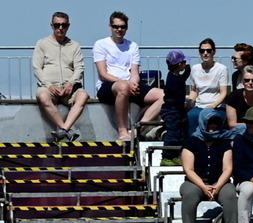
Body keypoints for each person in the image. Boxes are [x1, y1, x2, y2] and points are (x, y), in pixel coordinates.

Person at [93, 11, 164, 142]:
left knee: (164, 95)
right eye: (116, 27)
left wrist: (133, 84)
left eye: (122, 27)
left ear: (126, 28)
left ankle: (139, 128)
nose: (119, 29)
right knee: (123, 86)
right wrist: (126, 84)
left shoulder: (133, 46)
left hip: (129, 85)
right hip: (107, 86)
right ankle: (122, 130)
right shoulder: (100, 44)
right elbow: (103, 74)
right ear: (110, 27)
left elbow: (135, 72)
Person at [33, 11, 88, 142]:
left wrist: (71, 83)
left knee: (83, 95)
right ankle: (66, 129)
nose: (60, 28)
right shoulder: (42, 43)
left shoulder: (74, 45)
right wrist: (49, 85)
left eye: (64, 25)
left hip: (69, 88)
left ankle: (62, 131)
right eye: (57, 25)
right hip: (49, 87)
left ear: (68, 26)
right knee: (42, 96)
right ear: (52, 25)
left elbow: (79, 67)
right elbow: (37, 68)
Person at [179, 108, 237, 223]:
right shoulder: (191, 142)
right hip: (195, 182)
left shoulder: (224, 142)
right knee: (189, 194)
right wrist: (203, 187)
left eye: (215, 122)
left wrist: (217, 186)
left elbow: (228, 168)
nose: (213, 126)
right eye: (209, 122)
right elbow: (188, 170)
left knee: (230, 195)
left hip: (219, 182)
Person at [186, 39, 229, 136]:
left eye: (208, 51)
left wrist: (213, 105)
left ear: (213, 52)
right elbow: (194, 90)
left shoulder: (221, 69)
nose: (205, 53)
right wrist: (189, 103)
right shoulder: (195, 68)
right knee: (190, 116)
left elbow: (223, 92)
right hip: (199, 105)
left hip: (216, 107)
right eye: (202, 51)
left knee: (210, 118)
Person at [160, 50, 190, 165]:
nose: (185, 64)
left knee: (179, 135)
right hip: (172, 111)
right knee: (173, 134)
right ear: (179, 64)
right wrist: (182, 114)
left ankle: (175, 156)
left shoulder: (172, 76)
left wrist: (187, 72)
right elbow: (177, 100)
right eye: (183, 62)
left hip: (173, 109)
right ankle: (166, 157)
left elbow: (182, 80)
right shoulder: (175, 81)